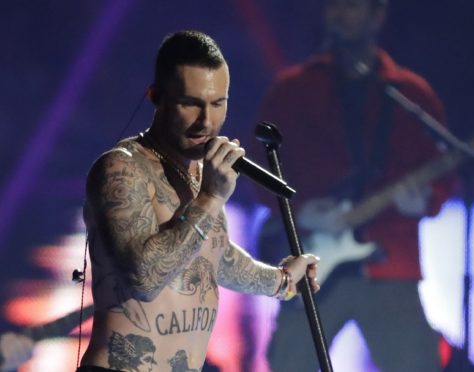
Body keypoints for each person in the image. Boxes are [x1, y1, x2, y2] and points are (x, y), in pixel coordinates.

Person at [79, 30, 320, 372]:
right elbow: (145, 279)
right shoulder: (121, 168)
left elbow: (213, 255)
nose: (206, 122)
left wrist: (281, 281)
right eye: (190, 103)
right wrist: (211, 197)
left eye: (217, 103)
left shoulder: (199, 172)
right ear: (156, 97)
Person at [254, 0, 453, 371]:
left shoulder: (412, 94)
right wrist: (299, 208)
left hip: (391, 262)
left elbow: (442, 176)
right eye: (334, 6)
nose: (340, 14)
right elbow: (257, 167)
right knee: (291, 362)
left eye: (352, 6)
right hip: (310, 265)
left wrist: (426, 200)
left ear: (378, 15)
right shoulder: (292, 90)